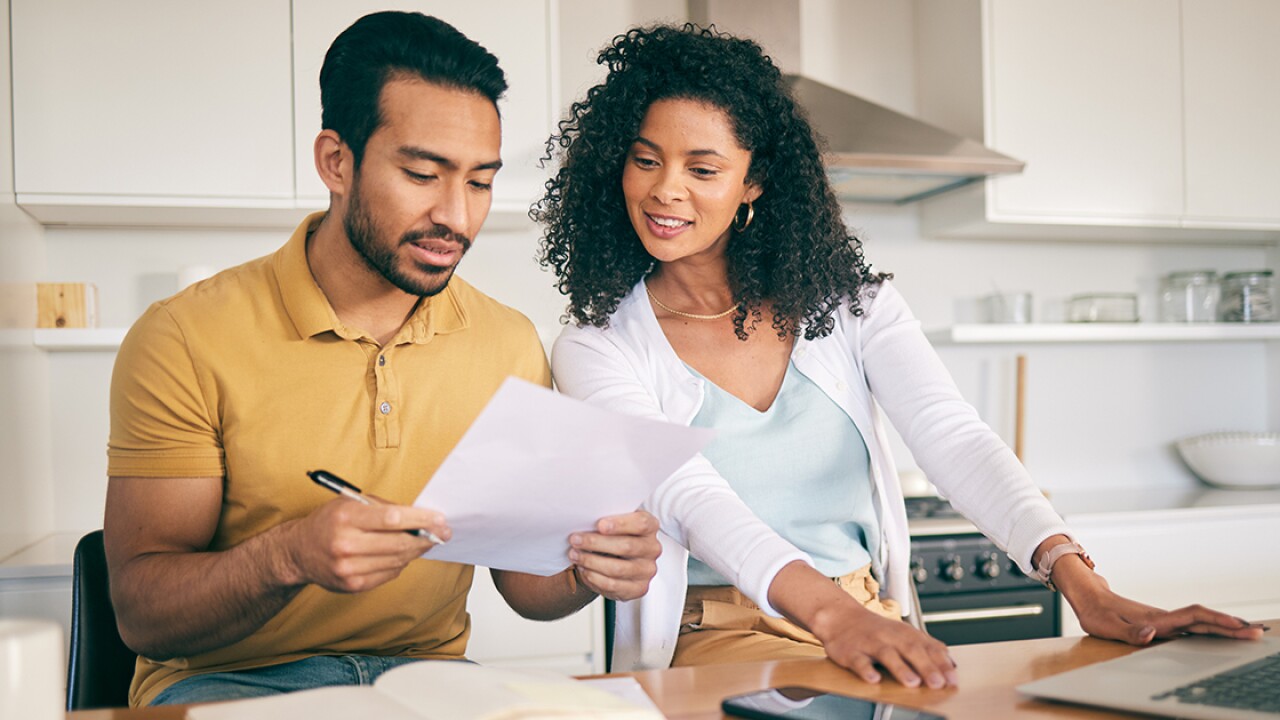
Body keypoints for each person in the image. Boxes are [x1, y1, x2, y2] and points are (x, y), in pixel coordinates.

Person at [533, 23, 1263, 690]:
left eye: (703, 168)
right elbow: (689, 498)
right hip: (720, 638)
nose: (666, 190)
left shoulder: (852, 306)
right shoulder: (597, 347)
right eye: (646, 160)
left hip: (868, 616)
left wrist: (1086, 590)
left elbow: (954, 438)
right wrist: (831, 617)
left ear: (752, 183)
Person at [104, 11, 660, 708]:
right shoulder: (184, 336)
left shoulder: (507, 342)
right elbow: (142, 615)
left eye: (480, 182)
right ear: (337, 162)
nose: (457, 216)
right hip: (229, 686)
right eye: (423, 173)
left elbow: (526, 588)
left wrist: (592, 567)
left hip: (430, 684)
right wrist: (288, 557)